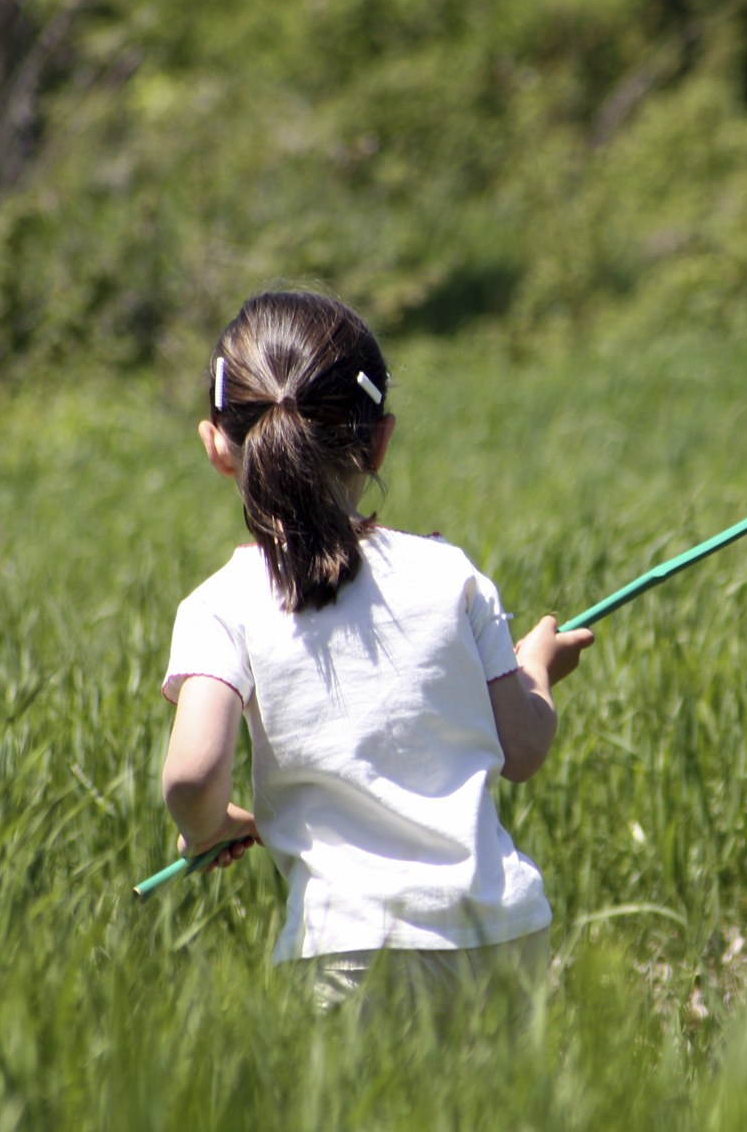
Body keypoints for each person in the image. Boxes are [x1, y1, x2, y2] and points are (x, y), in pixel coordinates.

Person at [158, 290, 592, 1014]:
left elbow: (191, 775)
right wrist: (537, 671)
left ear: (217, 447)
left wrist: (212, 828)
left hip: (349, 956)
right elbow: (523, 749)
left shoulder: (220, 605)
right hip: (502, 935)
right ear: (380, 440)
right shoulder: (451, 575)